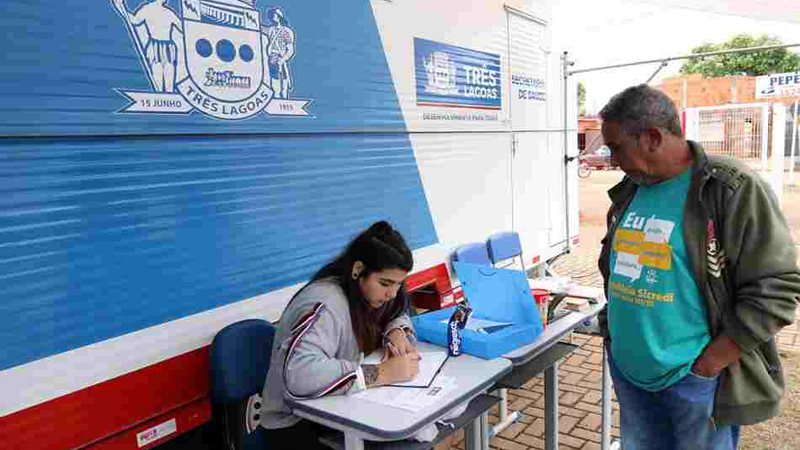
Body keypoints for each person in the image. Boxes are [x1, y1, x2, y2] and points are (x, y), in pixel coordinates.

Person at [596, 84, 799, 450]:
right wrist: (614, 334)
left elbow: (776, 288)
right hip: (630, 371)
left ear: (652, 138)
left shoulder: (730, 188)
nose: (612, 160)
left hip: (694, 379)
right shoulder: (631, 188)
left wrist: (710, 364)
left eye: (616, 147)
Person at [259, 221, 421, 448]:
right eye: (386, 283)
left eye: (399, 284)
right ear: (358, 270)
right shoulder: (325, 304)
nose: (392, 294)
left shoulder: (368, 292)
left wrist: (396, 330)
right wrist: (380, 373)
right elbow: (299, 375)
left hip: (342, 407)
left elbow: (396, 310)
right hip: (296, 424)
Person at [112, 0, 183, 93]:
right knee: (158, 78)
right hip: (155, 46)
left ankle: (168, 97)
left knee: (168, 77)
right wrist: (120, 7)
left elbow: (182, 28)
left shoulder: (168, 12)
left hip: (168, 47)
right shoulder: (147, 9)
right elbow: (134, 20)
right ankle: (159, 96)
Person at [262, 7, 295, 99]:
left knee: (283, 77)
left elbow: (290, 49)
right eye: (272, 15)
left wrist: (282, 59)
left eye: (275, 15)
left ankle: (284, 95)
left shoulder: (286, 32)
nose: (273, 17)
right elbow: (261, 28)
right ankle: (276, 94)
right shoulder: (270, 30)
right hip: (272, 57)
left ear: (279, 17)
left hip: (281, 57)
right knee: (274, 76)